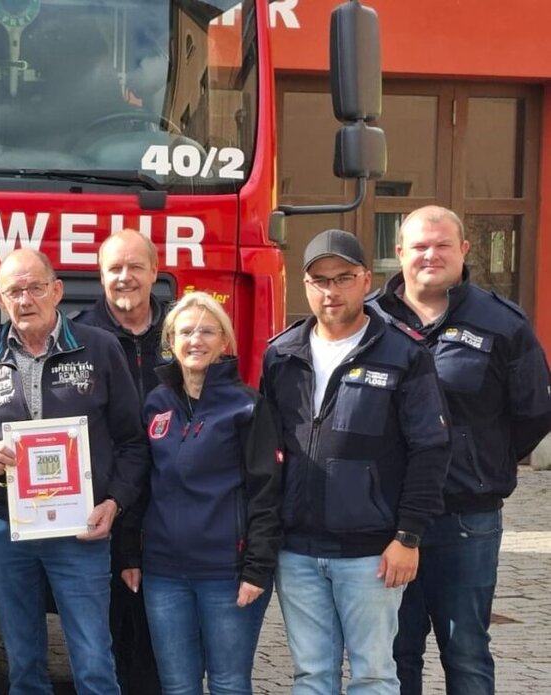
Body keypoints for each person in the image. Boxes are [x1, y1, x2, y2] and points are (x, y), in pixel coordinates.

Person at [0, 248, 149, 694]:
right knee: (23, 663)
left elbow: (134, 444)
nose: (25, 300)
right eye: (14, 292)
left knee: (94, 661)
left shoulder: (100, 349)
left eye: (35, 287)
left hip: (80, 531)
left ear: (56, 291)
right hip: (4, 529)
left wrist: (115, 502)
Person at [371, 206, 551, 694]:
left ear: (464, 251)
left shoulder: (502, 323)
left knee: (466, 650)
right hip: (386, 517)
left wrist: (478, 459)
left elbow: (534, 412)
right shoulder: (370, 321)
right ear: (400, 252)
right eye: (420, 246)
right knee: (392, 651)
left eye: (443, 245)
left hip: (466, 519)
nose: (432, 254)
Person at [262, 229, 451, 694]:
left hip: (371, 553)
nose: (331, 291)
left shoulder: (403, 354)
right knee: (311, 675)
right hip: (298, 551)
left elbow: (431, 449)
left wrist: (408, 536)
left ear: (366, 280)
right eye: (319, 280)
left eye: (343, 278)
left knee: (372, 674)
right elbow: (265, 455)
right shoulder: (280, 354)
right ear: (304, 286)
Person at [123, 291, 282, 694]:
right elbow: (140, 483)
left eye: (208, 331)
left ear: (224, 342)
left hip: (226, 574)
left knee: (229, 683)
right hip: (163, 573)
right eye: (186, 331)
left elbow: (267, 492)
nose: (196, 340)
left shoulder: (247, 406)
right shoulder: (155, 404)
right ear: (171, 341)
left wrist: (257, 568)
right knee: (177, 685)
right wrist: (128, 553)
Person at [72, 228, 170, 694]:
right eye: (114, 268)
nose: (125, 277)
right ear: (100, 276)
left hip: (173, 512)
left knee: (163, 642)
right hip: (104, 510)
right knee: (104, 638)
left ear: (155, 271)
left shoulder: (184, 332)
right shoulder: (74, 338)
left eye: (135, 266)